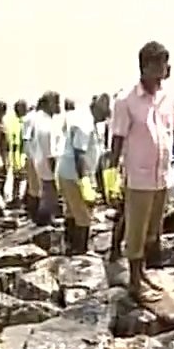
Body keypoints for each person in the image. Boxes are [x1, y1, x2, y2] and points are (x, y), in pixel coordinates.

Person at [111, 41, 174, 304]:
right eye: (161, 63)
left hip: (161, 176)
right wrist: (111, 175)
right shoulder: (126, 100)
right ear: (146, 66)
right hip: (138, 177)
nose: (166, 68)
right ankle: (134, 282)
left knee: (153, 231)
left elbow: (173, 130)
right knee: (136, 232)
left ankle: (142, 273)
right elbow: (117, 139)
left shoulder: (167, 97)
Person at [56, 94, 110, 255]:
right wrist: (85, 181)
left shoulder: (84, 119)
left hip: (67, 172)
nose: (104, 119)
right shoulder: (85, 125)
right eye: (103, 115)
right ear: (97, 110)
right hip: (73, 174)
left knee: (72, 211)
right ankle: (80, 251)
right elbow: (80, 154)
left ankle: (69, 246)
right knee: (83, 215)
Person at [34, 91, 62, 226]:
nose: (58, 105)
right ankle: (44, 220)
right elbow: (50, 151)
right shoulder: (47, 125)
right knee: (50, 194)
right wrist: (55, 170)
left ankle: (43, 219)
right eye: (55, 102)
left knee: (47, 193)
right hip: (47, 163)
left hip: (40, 161)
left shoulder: (42, 120)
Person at [5, 100, 28, 208]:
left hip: (19, 154)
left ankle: (18, 198)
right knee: (20, 178)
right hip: (19, 154)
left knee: (20, 179)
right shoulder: (19, 122)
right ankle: (18, 198)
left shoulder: (17, 121)